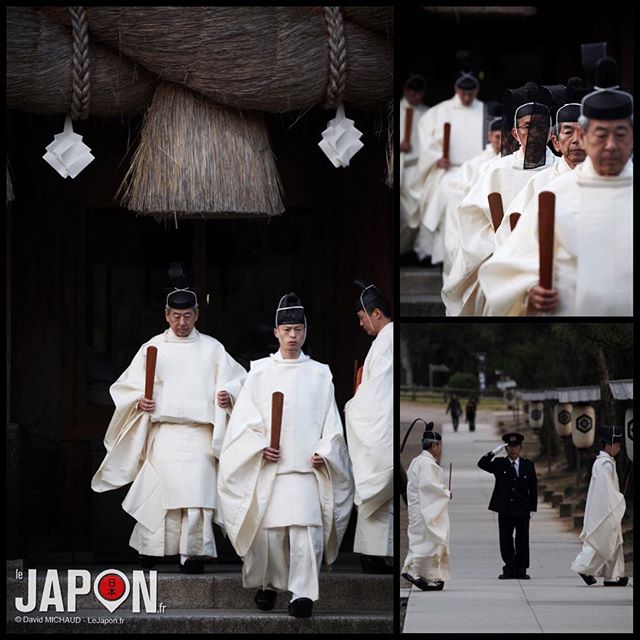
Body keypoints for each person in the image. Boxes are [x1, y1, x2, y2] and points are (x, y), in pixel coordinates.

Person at [91, 286, 247, 573]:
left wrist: (229, 396)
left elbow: (239, 381)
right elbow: (127, 388)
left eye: (187, 316)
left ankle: (193, 554)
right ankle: (151, 551)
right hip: (165, 432)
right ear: (166, 315)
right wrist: (140, 401)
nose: (182, 322)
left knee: (196, 496)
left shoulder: (213, 348)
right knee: (159, 494)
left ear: (197, 315)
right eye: (176, 316)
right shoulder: (153, 348)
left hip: (201, 433)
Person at [217, 293, 354, 618]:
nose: (293, 335)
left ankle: (302, 595)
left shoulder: (321, 374)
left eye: (298, 329)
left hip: (306, 469)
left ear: (305, 332)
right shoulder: (260, 372)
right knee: (269, 537)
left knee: (306, 534)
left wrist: (325, 452)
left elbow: (331, 423)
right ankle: (267, 584)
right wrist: (258, 447)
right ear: (276, 333)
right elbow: (244, 422)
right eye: (287, 329)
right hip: (270, 468)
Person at [476, 85, 633, 316]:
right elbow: (513, 258)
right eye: (601, 135)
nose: (610, 145)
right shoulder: (553, 192)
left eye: (620, 135)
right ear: (585, 137)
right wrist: (530, 290)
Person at [442, 85, 557, 316]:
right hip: (501, 253)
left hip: (550, 259)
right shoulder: (497, 170)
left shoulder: (559, 171)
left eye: (540, 126)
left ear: (549, 133)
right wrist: (500, 242)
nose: (534, 132)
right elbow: (471, 217)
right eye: (527, 126)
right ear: (515, 134)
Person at [491, 100, 586, 250]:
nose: (576, 140)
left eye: (583, 133)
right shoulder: (541, 182)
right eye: (568, 132)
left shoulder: (610, 181)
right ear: (555, 142)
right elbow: (511, 237)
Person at [345, 280, 393, 574]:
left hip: (379, 425)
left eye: (362, 318)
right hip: (377, 423)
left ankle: (375, 555)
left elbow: (377, 394)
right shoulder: (383, 342)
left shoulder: (387, 341)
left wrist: (353, 408)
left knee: (379, 488)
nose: (361, 324)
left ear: (376, 313)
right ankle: (372, 554)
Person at [413, 70, 485, 266]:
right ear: (456, 89)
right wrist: (436, 157)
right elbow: (425, 138)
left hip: (478, 171)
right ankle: (440, 254)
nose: (467, 97)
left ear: (477, 90)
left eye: (471, 93)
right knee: (445, 199)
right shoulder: (439, 111)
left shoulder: (484, 111)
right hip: (448, 169)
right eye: (463, 93)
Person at [571, 427, 629, 587]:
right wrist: (619, 500)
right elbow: (606, 490)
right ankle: (583, 567)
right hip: (606, 509)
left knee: (613, 542)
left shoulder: (605, 462)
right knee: (601, 541)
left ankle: (612, 576)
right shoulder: (605, 464)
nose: (618, 448)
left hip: (607, 507)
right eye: (616, 444)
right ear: (606, 445)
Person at [477, 432, 538, 579]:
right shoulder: (499, 463)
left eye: (515, 446)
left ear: (520, 448)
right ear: (506, 448)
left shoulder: (528, 465)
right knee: (506, 539)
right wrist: (494, 451)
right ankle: (510, 568)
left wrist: (532, 507)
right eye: (510, 446)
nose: (513, 449)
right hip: (505, 508)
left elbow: (533, 487)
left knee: (522, 540)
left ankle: (521, 569)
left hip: (522, 508)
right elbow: (482, 464)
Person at [401, 430, 451, 591]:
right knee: (429, 541)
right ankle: (414, 571)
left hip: (419, 508)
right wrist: (445, 492)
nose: (440, 449)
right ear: (434, 445)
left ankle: (428, 577)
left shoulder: (417, 461)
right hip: (424, 509)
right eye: (439, 446)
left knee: (422, 541)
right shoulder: (426, 464)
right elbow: (427, 486)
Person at [400, 74, 429, 257]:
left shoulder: (428, 114)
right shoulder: (396, 109)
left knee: (419, 211)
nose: (415, 96)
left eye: (418, 93)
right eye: (411, 91)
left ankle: (417, 250)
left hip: (419, 168)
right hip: (401, 166)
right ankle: (401, 250)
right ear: (405, 90)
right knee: (403, 212)